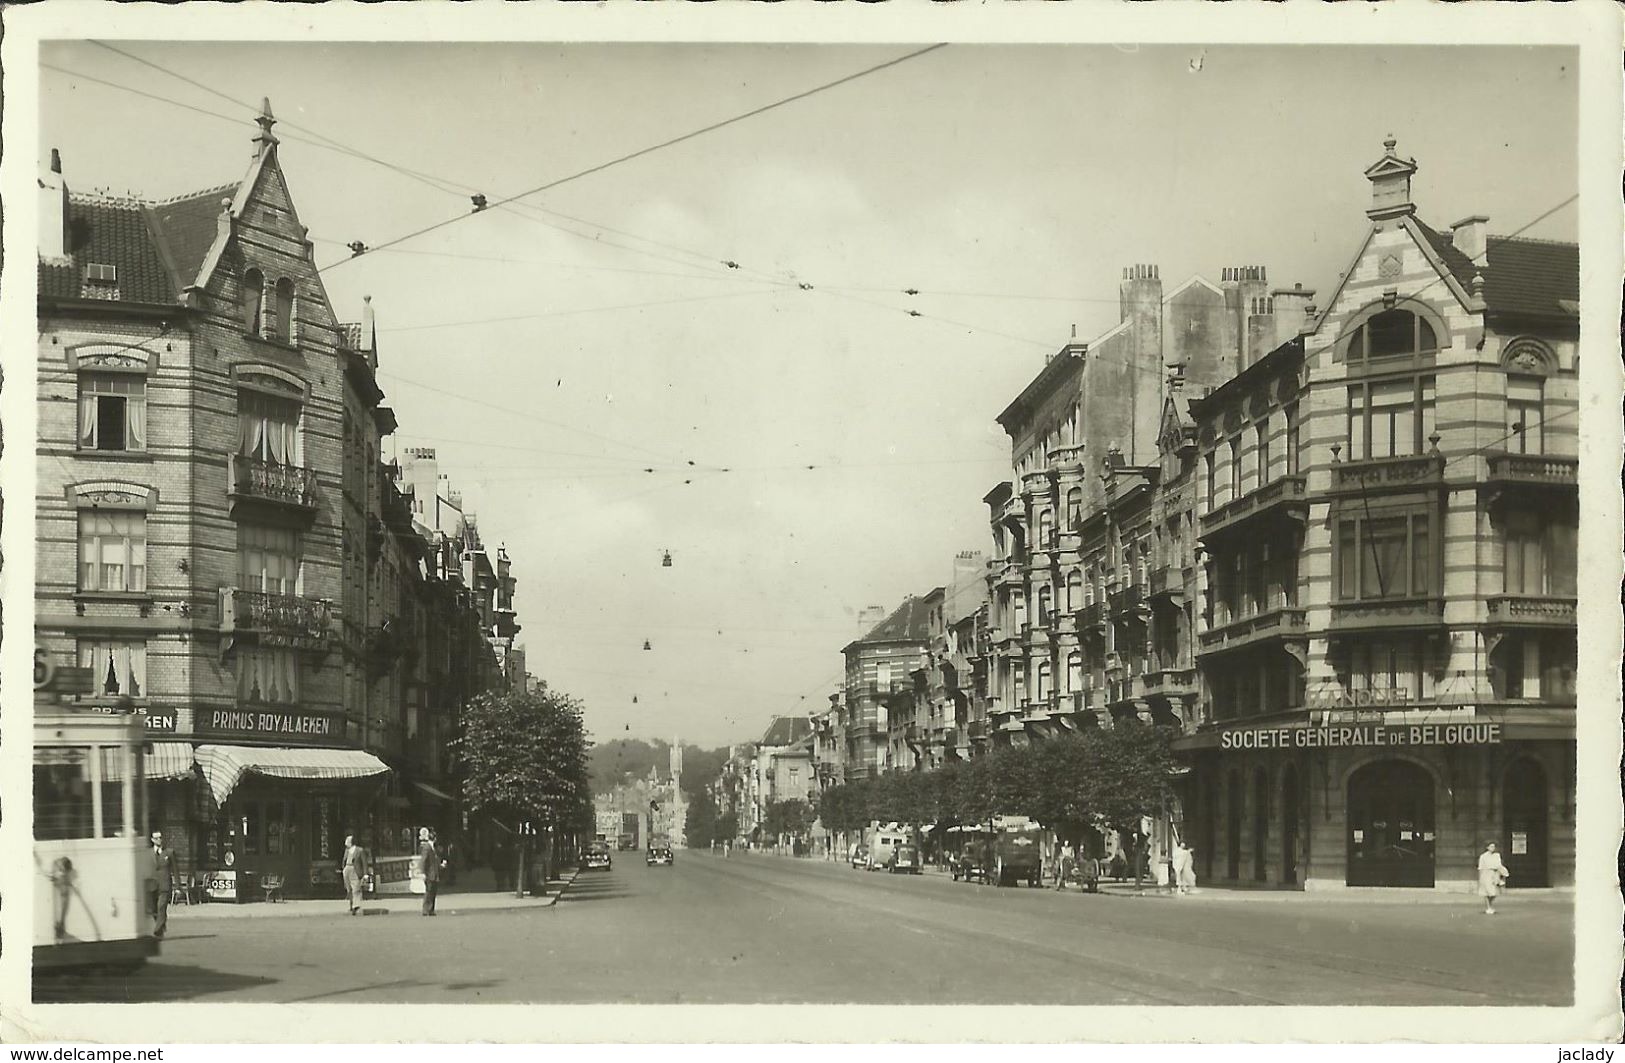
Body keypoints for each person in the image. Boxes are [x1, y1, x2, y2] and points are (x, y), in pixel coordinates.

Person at [150, 832, 179, 939]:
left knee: (161, 907)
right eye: (156, 838)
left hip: (165, 885)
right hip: (152, 885)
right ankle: (161, 926)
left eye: (161, 838)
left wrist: (178, 886)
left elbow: (175, 870)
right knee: (153, 909)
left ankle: (157, 931)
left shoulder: (169, 853)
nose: (159, 840)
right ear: (152, 840)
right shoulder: (148, 853)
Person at [1478, 841, 1510, 915]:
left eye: (1494, 847)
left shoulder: (1497, 855)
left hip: (1495, 874)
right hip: (1486, 874)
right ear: (1487, 847)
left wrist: (1504, 872)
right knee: (1487, 892)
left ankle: (1490, 905)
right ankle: (1488, 907)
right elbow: (1480, 867)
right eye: (1491, 846)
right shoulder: (1483, 856)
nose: (1493, 848)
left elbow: (1499, 865)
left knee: (1494, 893)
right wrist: (1480, 878)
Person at [342, 832, 369, 915]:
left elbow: (364, 862)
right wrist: (343, 869)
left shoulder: (359, 850)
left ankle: (356, 906)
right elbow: (344, 860)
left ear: (351, 842)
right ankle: (351, 905)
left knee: (356, 888)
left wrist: (365, 874)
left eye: (347, 841)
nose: (346, 842)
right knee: (349, 888)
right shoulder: (347, 850)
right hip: (347, 869)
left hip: (355, 870)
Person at [418, 827, 443, 916]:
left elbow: (434, 861)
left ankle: (431, 909)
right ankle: (426, 910)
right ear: (435, 838)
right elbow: (423, 860)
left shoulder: (432, 848)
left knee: (433, 892)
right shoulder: (427, 847)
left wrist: (441, 865)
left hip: (434, 873)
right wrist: (423, 873)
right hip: (429, 874)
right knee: (429, 891)